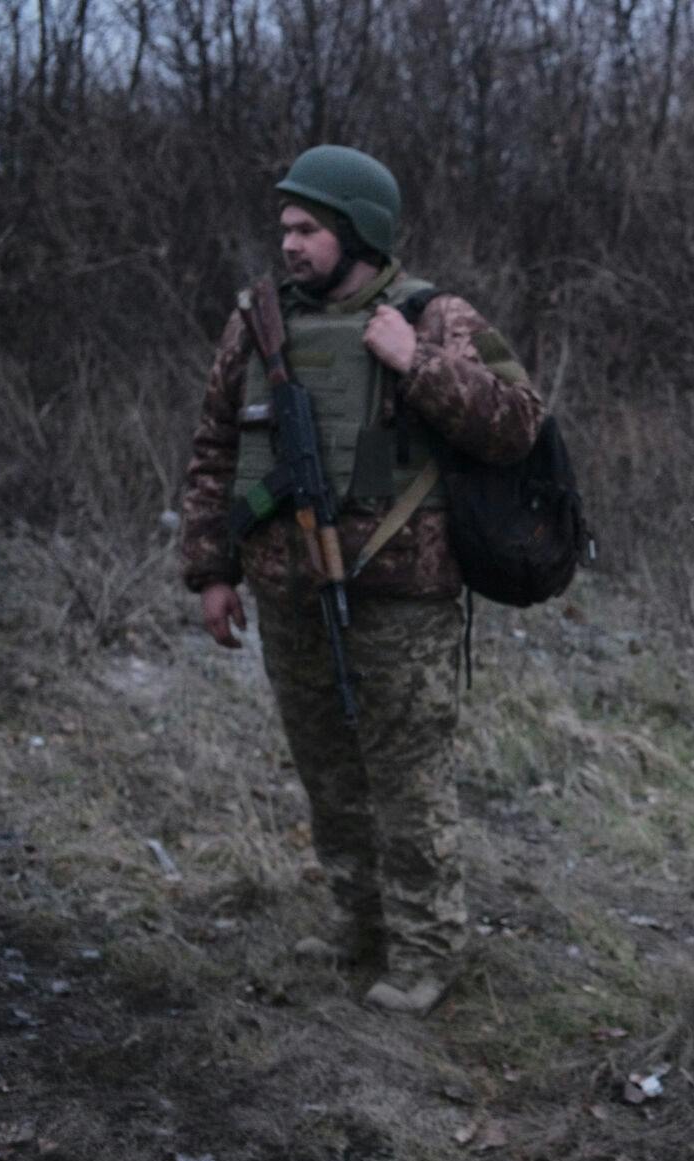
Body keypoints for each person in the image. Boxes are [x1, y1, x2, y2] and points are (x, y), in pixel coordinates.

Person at [178, 144, 543, 1015]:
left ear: (359, 232)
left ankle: (425, 950)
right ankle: (358, 924)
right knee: (327, 771)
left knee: (408, 783)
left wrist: (414, 361)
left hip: (401, 598)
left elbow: (519, 424)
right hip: (285, 589)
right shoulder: (258, 320)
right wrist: (210, 570)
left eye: (309, 229)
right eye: (287, 228)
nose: (291, 244)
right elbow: (215, 449)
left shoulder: (435, 315)